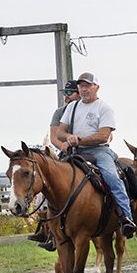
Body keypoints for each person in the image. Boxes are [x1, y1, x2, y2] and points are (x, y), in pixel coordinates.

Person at [56, 73, 137, 237]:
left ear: (96, 88)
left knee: (112, 178)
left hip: (98, 150)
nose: (84, 89)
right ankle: (49, 229)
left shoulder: (104, 108)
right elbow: (60, 132)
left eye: (87, 86)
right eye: (81, 86)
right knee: (51, 176)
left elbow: (103, 136)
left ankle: (126, 218)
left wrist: (79, 140)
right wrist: (69, 138)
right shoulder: (72, 107)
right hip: (75, 151)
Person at [29, 81, 84, 250]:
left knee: (112, 176)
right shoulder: (59, 113)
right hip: (67, 153)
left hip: (91, 151)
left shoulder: (90, 110)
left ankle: (122, 214)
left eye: (70, 92)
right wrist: (65, 149)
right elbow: (54, 138)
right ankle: (48, 231)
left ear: (79, 93)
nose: (66, 95)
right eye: (64, 93)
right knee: (48, 185)